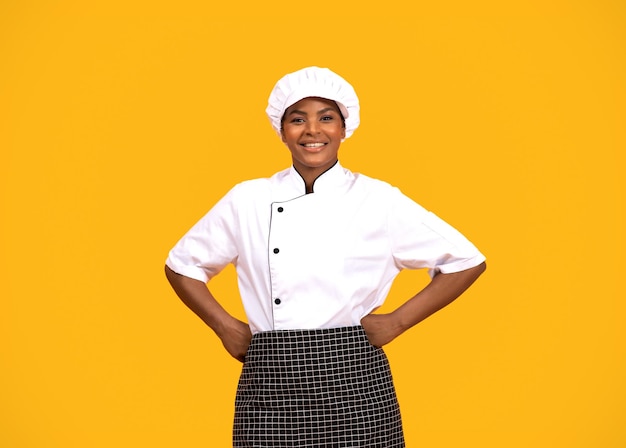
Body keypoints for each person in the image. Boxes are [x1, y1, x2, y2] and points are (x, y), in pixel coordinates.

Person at [164, 66, 486, 447]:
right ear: (282, 131)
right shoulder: (247, 199)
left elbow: (465, 260)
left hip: (353, 374)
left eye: (326, 118)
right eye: (298, 119)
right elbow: (182, 265)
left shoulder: (376, 199)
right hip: (270, 378)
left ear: (343, 129)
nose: (312, 130)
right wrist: (225, 326)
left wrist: (397, 322)